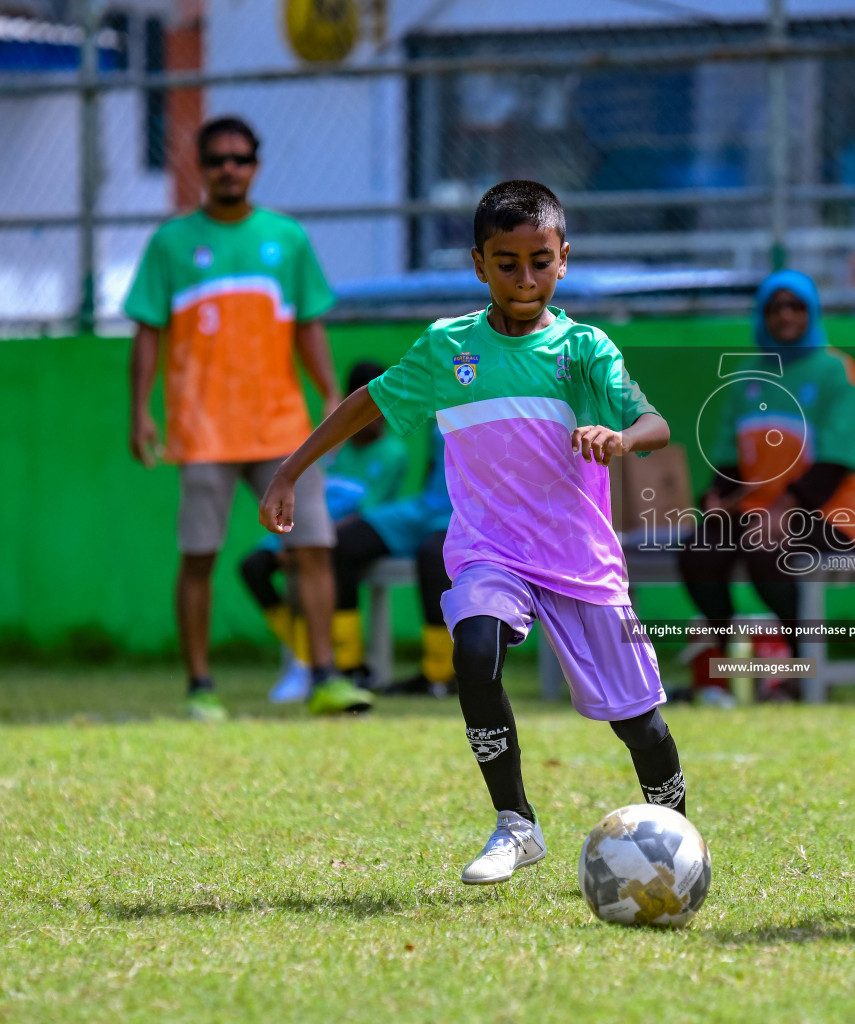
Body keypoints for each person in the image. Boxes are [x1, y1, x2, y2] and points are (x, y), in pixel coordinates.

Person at [259, 180, 687, 885]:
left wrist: (618, 436)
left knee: (638, 724)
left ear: (564, 259)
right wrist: (290, 470)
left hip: (581, 561)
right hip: (491, 552)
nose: (526, 278)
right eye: (507, 262)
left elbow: (656, 424)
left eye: (541, 261)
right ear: (479, 263)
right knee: (474, 648)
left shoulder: (584, 349)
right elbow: (368, 402)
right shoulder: (447, 346)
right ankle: (516, 823)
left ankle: (677, 839)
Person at [124, 115, 374, 721]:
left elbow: (307, 325)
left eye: (239, 158)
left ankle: (326, 678)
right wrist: (140, 410)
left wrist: (330, 395)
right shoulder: (171, 243)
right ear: (200, 168)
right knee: (200, 556)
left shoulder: (285, 239)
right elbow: (148, 334)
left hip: (282, 430)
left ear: (255, 166)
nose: (228, 169)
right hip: (201, 428)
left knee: (314, 548)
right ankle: (200, 687)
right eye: (217, 160)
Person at [676, 270, 855, 703]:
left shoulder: (836, 370)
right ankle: (730, 661)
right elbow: (729, 458)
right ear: (761, 316)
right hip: (758, 514)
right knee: (698, 551)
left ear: (813, 312)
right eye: (775, 307)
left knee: (768, 551)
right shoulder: (748, 375)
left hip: (833, 514)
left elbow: (837, 460)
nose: (785, 315)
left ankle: (801, 671)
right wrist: (715, 498)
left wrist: (784, 511)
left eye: (796, 306)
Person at [239, 360, 408, 702]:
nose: (374, 421)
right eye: (368, 410)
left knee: (319, 560)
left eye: (381, 413)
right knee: (253, 566)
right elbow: (308, 493)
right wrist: (292, 539)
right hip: (302, 528)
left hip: (334, 536)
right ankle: (303, 651)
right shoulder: (333, 446)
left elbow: (371, 510)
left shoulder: (393, 452)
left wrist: (308, 542)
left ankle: (326, 665)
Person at [327, 426, 455, 696]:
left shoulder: (510, 400)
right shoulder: (447, 396)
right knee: (343, 543)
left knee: (433, 554)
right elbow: (435, 464)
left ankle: (439, 676)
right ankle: (349, 667)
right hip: (426, 508)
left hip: (468, 513)